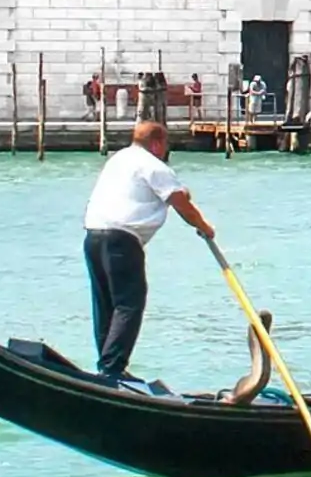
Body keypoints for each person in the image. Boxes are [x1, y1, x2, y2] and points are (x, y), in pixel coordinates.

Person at [80, 118, 214, 384]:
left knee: (105, 303)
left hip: (93, 236)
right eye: (165, 144)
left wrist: (180, 193)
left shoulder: (118, 160)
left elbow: (151, 193)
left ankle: (106, 364)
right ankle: (112, 368)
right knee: (129, 303)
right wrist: (205, 228)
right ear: (156, 144)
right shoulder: (155, 166)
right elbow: (182, 206)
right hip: (122, 240)